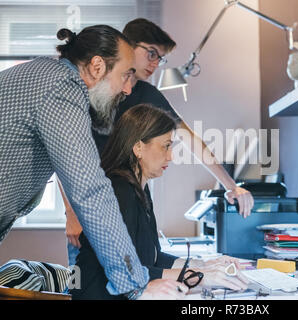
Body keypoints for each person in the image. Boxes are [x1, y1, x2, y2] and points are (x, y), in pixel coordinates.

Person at [0, 25, 186, 300]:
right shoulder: (61, 88)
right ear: (97, 66)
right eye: (124, 75)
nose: (126, 89)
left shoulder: (45, 76)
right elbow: (89, 190)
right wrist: (136, 284)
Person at [65, 18, 255, 263]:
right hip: (89, 205)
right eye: (151, 53)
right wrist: (71, 212)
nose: (155, 64)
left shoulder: (147, 94)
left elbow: (191, 139)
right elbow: (64, 157)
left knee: (145, 270)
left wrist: (231, 185)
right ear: (127, 46)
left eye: (160, 58)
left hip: (133, 198)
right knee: (90, 281)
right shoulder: (92, 90)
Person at [70, 104, 249, 299]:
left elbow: (155, 259)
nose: (171, 156)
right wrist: (202, 276)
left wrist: (204, 265)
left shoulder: (140, 188)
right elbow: (130, 271)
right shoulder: (119, 189)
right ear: (138, 147)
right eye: (166, 146)